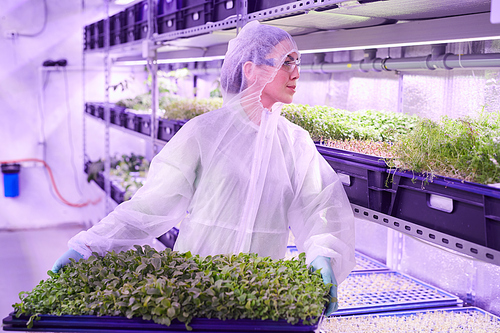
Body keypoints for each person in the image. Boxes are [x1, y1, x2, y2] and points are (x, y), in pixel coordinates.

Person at [52, 20, 356, 316]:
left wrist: (323, 255)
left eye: (298, 62)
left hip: (260, 297)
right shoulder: (204, 133)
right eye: (286, 63)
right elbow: (150, 207)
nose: (297, 73)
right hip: (195, 290)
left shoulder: (295, 143)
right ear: (251, 70)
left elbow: (320, 207)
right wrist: (90, 245)